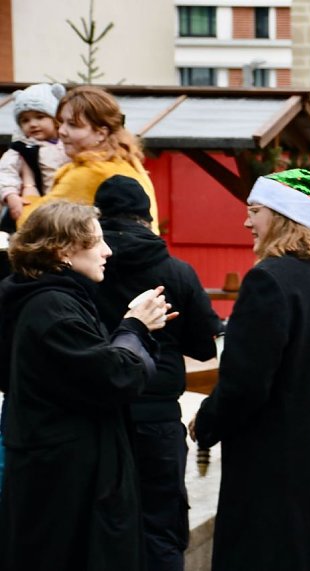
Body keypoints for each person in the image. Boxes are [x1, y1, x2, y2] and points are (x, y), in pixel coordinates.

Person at [191, 168, 310, 571]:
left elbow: (246, 382)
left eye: (254, 210)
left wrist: (207, 422)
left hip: (278, 473)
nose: (246, 221)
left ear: (282, 215)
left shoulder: (269, 281)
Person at [0, 200, 170, 571]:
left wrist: (133, 330)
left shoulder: (43, 298)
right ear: (62, 250)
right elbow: (115, 377)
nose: (108, 250)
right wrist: (134, 327)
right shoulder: (52, 308)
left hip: (59, 473)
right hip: (66, 486)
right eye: (97, 241)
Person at [92, 175, 223, 571]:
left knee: (103, 527)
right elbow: (204, 345)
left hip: (98, 415)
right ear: (147, 218)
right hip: (157, 418)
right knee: (161, 528)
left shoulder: (87, 266)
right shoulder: (176, 271)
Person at [17, 85, 160, 233]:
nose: (61, 131)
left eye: (73, 125)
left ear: (101, 133)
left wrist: (29, 185)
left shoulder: (92, 172)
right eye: (61, 122)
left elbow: (32, 225)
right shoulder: (124, 162)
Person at [0, 83, 69, 233]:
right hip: (36, 209)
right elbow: (6, 173)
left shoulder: (69, 144)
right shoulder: (21, 148)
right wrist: (11, 196)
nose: (33, 124)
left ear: (56, 119)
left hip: (69, 206)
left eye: (40, 117)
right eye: (25, 120)